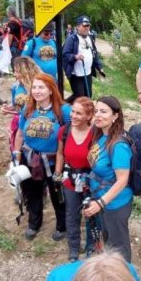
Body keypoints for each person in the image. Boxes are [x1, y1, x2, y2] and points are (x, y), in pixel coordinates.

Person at [13, 73, 71, 241]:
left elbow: (71, 135)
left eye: (41, 87)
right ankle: (34, 223)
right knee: (32, 192)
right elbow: (20, 133)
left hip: (54, 161)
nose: (37, 91)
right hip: (30, 158)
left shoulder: (63, 111)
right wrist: (16, 154)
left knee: (57, 194)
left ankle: (62, 225)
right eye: (34, 87)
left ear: (51, 90)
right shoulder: (28, 109)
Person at [82, 96, 134, 261]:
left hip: (115, 204)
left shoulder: (119, 145)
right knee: (109, 241)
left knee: (119, 248)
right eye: (96, 111)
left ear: (115, 116)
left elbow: (122, 180)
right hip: (102, 199)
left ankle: (124, 278)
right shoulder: (101, 135)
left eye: (103, 111)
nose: (97, 115)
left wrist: (100, 203)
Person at [54, 97, 96, 261]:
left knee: (92, 214)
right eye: (72, 111)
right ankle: (73, 246)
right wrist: (57, 174)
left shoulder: (95, 133)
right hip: (69, 179)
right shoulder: (64, 131)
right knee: (71, 214)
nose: (73, 116)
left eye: (79, 113)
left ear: (88, 115)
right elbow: (59, 153)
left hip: (91, 180)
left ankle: (92, 244)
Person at [62, 15, 105, 101]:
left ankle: (66, 105)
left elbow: (94, 53)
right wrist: (75, 57)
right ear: (77, 27)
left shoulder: (90, 38)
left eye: (88, 25)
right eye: (84, 25)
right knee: (80, 97)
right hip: (76, 74)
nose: (87, 28)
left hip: (87, 73)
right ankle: (65, 106)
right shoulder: (72, 39)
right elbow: (65, 54)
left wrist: (99, 67)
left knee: (88, 95)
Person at [2, 55, 40, 149]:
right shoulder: (16, 86)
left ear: (27, 71)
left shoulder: (39, 86)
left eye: (18, 71)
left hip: (35, 125)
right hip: (18, 124)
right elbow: (16, 105)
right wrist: (8, 108)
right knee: (18, 149)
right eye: (14, 71)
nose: (15, 74)